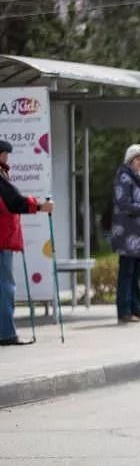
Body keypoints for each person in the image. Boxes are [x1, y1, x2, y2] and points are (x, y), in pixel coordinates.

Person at [0, 139, 53, 346]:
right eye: (5, 154)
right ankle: (5, 333)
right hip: (2, 240)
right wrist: (40, 207)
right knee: (4, 287)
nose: (7, 158)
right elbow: (15, 202)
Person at [111, 144, 140, 323]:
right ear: (130, 161)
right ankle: (124, 310)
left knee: (137, 274)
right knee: (127, 273)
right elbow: (123, 204)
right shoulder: (124, 178)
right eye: (137, 159)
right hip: (126, 233)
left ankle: (136, 308)